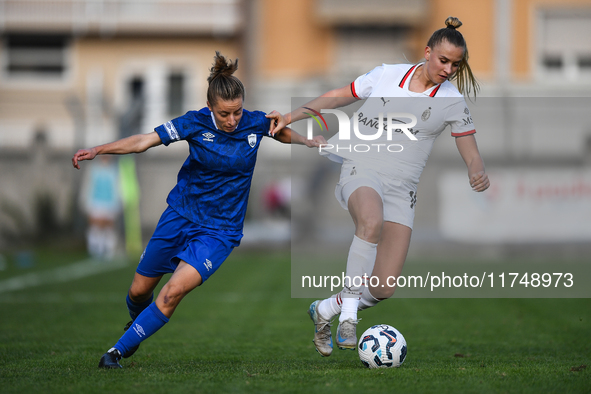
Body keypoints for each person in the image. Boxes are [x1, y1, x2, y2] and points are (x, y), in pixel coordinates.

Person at [72, 52, 324, 369]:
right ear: (210, 109)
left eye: (237, 112)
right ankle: (137, 327)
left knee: (172, 292)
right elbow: (142, 141)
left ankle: (117, 352)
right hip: (179, 215)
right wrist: (98, 149)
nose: (232, 120)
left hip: (220, 232)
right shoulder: (194, 122)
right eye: (224, 114)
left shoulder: (254, 122)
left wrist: (307, 140)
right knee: (139, 292)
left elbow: (278, 130)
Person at [268, 17, 490, 357]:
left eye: (455, 64)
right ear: (428, 52)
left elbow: (471, 151)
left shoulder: (452, 101)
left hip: (403, 190)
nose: (448, 69)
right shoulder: (386, 74)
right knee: (369, 222)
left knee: (385, 286)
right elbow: (336, 97)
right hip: (362, 168)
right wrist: (291, 116)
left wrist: (477, 170)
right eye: (443, 60)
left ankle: (325, 309)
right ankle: (348, 318)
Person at [80, 155, 121, 260]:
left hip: (110, 203)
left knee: (108, 227)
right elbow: (88, 186)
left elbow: (117, 188)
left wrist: (117, 204)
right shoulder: (93, 169)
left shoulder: (115, 170)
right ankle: (95, 250)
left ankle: (108, 251)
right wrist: (86, 204)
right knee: (95, 227)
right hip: (95, 203)